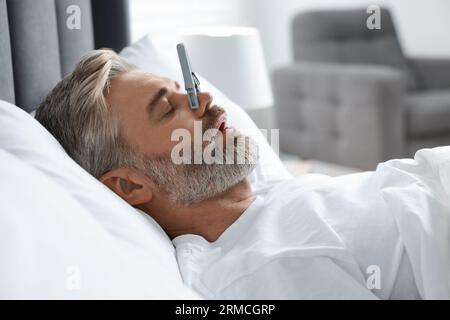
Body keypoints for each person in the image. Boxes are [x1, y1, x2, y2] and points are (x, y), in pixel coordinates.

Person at [36, 49, 450, 299]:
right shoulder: (253, 274)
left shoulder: (268, 208)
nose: (205, 100)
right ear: (130, 185)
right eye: (169, 109)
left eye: (188, 87)